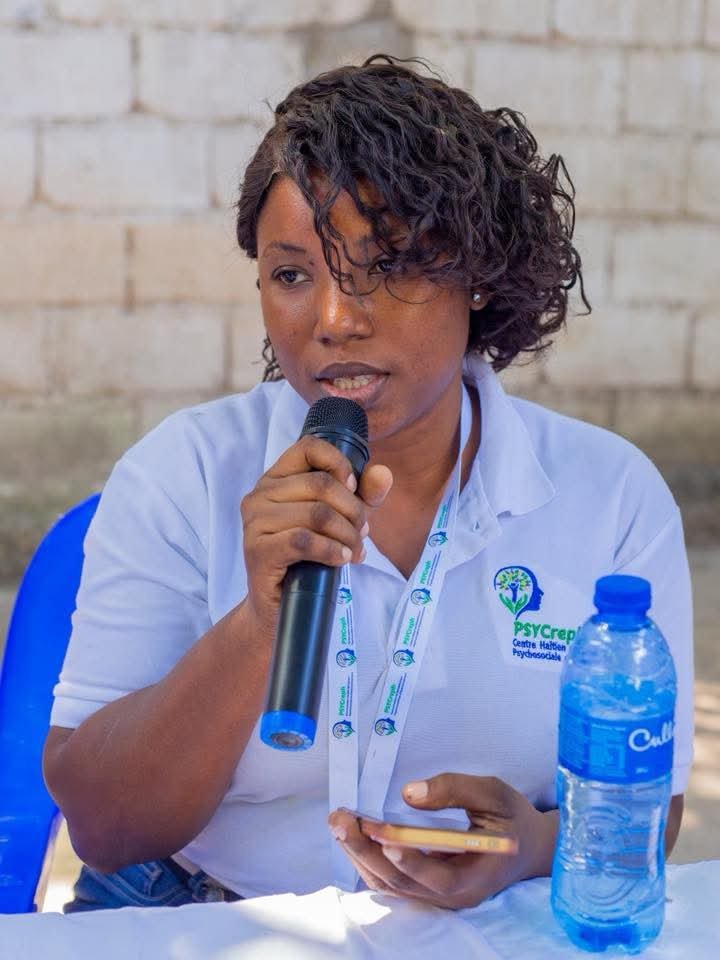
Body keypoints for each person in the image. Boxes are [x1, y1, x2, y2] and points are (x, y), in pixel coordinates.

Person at [43, 55, 693, 912]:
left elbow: (650, 805)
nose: (333, 320)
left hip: (480, 926)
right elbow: (105, 828)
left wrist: (532, 848)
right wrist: (258, 623)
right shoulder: (181, 474)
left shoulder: (609, 497)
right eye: (292, 275)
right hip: (191, 909)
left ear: (479, 275)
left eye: (387, 266)